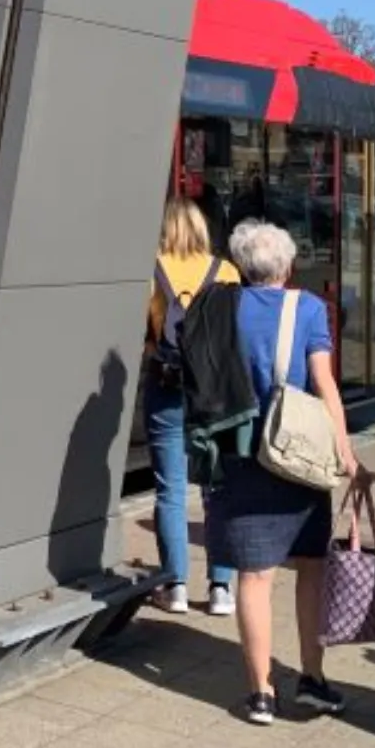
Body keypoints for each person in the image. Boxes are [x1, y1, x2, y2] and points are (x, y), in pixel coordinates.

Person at [204, 218, 358, 725]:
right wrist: (344, 449)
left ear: (241, 267)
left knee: (254, 575)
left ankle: (260, 692)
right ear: (288, 266)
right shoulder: (308, 308)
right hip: (299, 454)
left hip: (242, 453)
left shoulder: (222, 308)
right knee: (311, 567)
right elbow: (323, 382)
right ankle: (311, 677)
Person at [142, 195, 241, 616]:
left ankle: (175, 586)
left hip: (167, 388)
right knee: (217, 489)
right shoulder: (227, 271)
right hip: (215, 394)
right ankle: (221, 588)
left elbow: (145, 331)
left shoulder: (151, 269)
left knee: (171, 490)